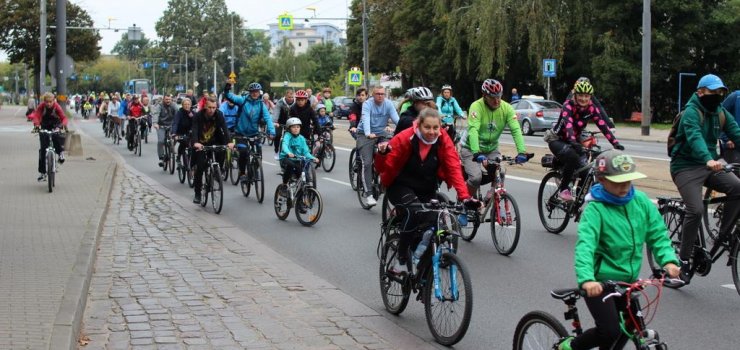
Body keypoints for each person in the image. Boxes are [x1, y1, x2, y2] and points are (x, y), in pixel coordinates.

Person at [558, 150, 680, 350]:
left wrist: (668, 260)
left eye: (628, 181)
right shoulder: (595, 210)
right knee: (609, 331)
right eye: (617, 182)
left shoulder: (640, 201)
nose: (624, 186)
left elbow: (657, 234)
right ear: (602, 180)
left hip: (628, 282)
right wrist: (588, 279)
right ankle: (569, 347)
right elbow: (585, 247)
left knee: (628, 328)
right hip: (600, 283)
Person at [374, 108, 478, 273]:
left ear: (440, 127)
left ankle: (423, 268)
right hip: (401, 186)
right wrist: (381, 154)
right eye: (427, 127)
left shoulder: (443, 139)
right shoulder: (404, 138)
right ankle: (401, 260)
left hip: (426, 188)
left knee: (436, 220)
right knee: (413, 211)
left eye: (435, 128)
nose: (432, 132)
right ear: (419, 126)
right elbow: (381, 167)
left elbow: (453, 167)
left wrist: (465, 197)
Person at [669, 74, 740, 284]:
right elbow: (694, 138)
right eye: (713, 92)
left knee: (738, 188)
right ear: (701, 92)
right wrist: (708, 159)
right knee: (696, 209)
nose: (717, 96)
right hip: (686, 167)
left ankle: (724, 234)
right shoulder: (691, 113)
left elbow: (737, 133)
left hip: (710, 165)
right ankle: (682, 260)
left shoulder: (721, 112)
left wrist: (711, 161)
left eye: (720, 92)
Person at [548, 80, 622, 201]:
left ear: (590, 97)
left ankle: (577, 201)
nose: (583, 99)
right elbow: (568, 125)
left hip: (574, 141)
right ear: (575, 95)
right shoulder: (568, 105)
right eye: (580, 95)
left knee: (586, 171)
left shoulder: (591, 108)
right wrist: (573, 141)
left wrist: (615, 143)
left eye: (586, 96)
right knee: (572, 157)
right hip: (557, 139)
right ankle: (563, 190)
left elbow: (602, 125)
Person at [460, 79, 530, 196]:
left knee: (501, 172)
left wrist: (521, 151)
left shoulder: (507, 108)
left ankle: (491, 198)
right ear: (484, 96)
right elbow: (473, 130)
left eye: (499, 96)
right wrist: (476, 152)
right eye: (492, 97)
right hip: (470, 148)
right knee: (476, 178)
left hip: (491, 148)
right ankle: (464, 203)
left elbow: (516, 130)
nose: (497, 100)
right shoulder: (476, 106)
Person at [223, 82, 275, 182]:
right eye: (253, 92)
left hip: (254, 132)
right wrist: (226, 90)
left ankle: (255, 170)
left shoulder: (261, 104)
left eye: (257, 92)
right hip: (241, 133)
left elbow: (268, 118)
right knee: (243, 152)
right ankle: (242, 173)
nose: (255, 94)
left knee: (258, 153)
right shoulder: (243, 100)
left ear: (259, 92)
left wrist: (271, 131)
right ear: (250, 92)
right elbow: (230, 97)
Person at [357, 85, 400, 206]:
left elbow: (397, 119)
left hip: (382, 133)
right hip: (365, 134)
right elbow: (365, 119)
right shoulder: (367, 104)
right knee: (367, 162)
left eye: (382, 94)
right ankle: (369, 194)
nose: (380, 96)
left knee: (391, 155)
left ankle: (384, 180)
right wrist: (367, 133)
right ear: (372, 94)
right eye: (377, 94)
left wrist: (406, 130)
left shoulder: (389, 104)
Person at [190, 97, 233, 203]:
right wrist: (196, 142)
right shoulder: (198, 116)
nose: (212, 110)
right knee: (200, 167)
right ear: (205, 106)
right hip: (201, 143)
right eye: (209, 107)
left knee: (222, 150)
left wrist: (229, 141)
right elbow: (194, 129)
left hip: (215, 141)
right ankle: (198, 194)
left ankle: (217, 172)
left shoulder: (219, 115)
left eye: (214, 107)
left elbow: (225, 128)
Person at [31, 92, 68, 182]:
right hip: (44, 126)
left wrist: (61, 126)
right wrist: (36, 125)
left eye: (50, 101)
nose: (48, 103)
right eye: (47, 102)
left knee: (56, 138)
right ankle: (43, 173)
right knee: (43, 150)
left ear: (53, 100)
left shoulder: (56, 106)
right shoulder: (41, 106)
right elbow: (36, 116)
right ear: (44, 101)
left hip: (56, 125)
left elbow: (64, 118)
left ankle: (60, 154)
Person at [279, 117, 319, 186]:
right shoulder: (287, 136)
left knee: (302, 173)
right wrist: (288, 152)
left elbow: (306, 152)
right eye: (293, 127)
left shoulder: (301, 138)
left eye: (298, 127)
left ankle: (302, 190)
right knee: (290, 165)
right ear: (289, 128)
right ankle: (284, 184)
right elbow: (284, 145)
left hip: (297, 159)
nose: (296, 129)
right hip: (286, 158)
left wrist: (313, 158)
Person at [153, 94, 178, 167]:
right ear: (163, 99)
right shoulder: (159, 106)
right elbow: (156, 114)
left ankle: (171, 147)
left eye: (169, 99)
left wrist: (178, 124)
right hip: (161, 126)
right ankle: (161, 157)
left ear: (171, 99)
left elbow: (177, 115)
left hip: (171, 125)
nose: (168, 101)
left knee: (176, 137)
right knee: (161, 141)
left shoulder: (174, 105)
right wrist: (155, 123)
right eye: (166, 99)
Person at [272, 89, 296, 157]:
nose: (291, 99)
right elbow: (276, 112)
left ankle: (288, 151)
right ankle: (276, 149)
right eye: (289, 97)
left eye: (292, 97)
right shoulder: (280, 102)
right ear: (285, 96)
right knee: (277, 135)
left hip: (291, 123)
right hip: (280, 122)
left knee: (288, 137)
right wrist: (275, 122)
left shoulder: (295, 103)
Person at [720, 90, 740, 163]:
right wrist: (726, 138)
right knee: (735, 172)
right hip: (733, 146)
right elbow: (719, 115)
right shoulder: (736, 96)